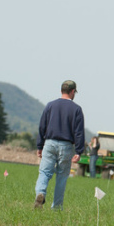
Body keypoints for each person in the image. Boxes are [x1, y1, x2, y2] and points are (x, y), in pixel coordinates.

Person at [34, 80, 85, 210]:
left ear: (61, 90)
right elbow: (78, 133)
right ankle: (56, 207)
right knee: (61, 177)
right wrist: (79, 151)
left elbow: (42, 127)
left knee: (44, 172)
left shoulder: (50, 105)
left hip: (49, 143)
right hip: (66, 146)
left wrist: (40, 146)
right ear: (73, 91)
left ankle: (40, 192)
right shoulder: (77, 109)